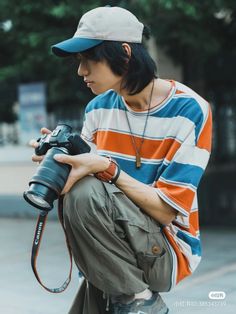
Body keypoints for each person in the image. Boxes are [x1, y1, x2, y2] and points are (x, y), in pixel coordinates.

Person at [33, 6, 212, 314]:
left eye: (89, 60)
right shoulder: (97, 109)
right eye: (79, 62)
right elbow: (83, 195)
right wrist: (59, 162)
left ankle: (139, 299)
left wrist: (106, 167)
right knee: (79, 186)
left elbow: (167, 212)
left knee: (86, 190)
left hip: (167, 249)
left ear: (125, 54)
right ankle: (131, 297)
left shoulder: (190, 110)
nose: (81, 72)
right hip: (113, 253)